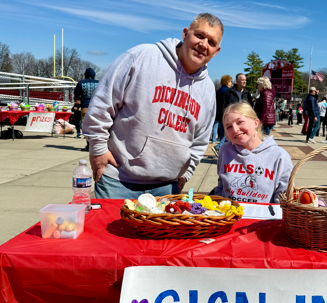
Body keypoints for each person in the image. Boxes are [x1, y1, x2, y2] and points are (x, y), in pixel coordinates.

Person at [82, 12, 223, 199]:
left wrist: (186, 174)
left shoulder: (207, 89)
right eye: (199, 35)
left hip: (167, 186)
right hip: (118, 181)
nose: (203, 44)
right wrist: (98, 148)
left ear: (216, 52)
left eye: (211, 42)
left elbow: (201, 139)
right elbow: (102, 103)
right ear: (185, 34)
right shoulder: (142, 56)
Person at [214, 102, 293, 203]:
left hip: (263, 218)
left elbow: (283, 196)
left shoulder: (279, 156)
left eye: (239, 122)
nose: (235, 129)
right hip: (229, 216)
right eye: (229, 127)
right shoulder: (225, 151)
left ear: (256, 123)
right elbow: (221, 185)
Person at [74, 67, 99, 151]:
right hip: (97, 107)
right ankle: (97, 144)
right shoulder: (99, 83)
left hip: (85, 106)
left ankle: (88, 144)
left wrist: (78, 102)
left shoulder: (81, 83)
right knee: (97, 125)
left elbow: (76, 94)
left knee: (85, 126)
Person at [212, 75, 232, 143]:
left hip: (216, 112)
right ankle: (220, 144)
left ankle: (214, 140)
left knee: (216, 127)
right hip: (223, 112)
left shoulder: (218, 91)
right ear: (227, 81)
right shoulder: (228, 91)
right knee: (225, 131)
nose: (231, 83)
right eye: (230, 81)